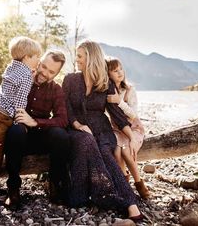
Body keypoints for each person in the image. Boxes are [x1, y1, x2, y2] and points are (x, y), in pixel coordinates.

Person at [0, 49, 70, 213]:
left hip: (39, 138)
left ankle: (55, 184)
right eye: (44, 66)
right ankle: (13, 188)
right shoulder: (19, 78)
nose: (45, 73)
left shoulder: (56, 90)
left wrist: (35, 122)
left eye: (51, 72)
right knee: (16, 130)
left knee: (61, 135)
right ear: (39, 62)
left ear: (57, 74)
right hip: (15, 140)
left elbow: (62, 120)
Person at [62, 39, 143, 223]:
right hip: (76, 129)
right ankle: (112, 197)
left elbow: (116, 115)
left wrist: (131, 137)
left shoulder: (106, 83)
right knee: (86, 141)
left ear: (91, 57)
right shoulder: (70, 80)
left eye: (80, 56)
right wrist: (77, 125)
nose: (77, 60)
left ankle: (131, 205)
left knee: (106, 153)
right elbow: (66, 107)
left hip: (102, 130)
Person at [0, 36, 42, 213]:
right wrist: (20, 121)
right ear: (27, 57)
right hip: (4, 118)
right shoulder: (26, 76)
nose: (38, 61)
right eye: (36, 57)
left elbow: (3, 92)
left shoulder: (12, 67)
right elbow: (20, 103)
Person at [106, 56, 150, 199]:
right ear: (108, 74)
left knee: (126, 150)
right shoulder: (108, 91)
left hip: (134, 128)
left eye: (120, 69)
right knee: (117, 151)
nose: (119, 73)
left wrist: (119, 101)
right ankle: (124, 183)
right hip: (117, 129)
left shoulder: (129, 89)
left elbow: (133, 114)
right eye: (114, 71)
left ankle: (139, 183)